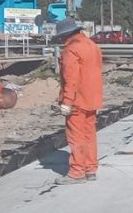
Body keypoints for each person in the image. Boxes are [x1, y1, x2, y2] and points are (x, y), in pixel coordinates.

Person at [52, 18, 103, 185]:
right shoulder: (92, 45)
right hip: (93, 98)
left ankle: (77, 172)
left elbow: (71, 78)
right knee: (89, 134)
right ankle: (91, 168)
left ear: (64, 36)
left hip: (77, 100)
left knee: (76, 136)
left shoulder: (71, 50)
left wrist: (66, 101)